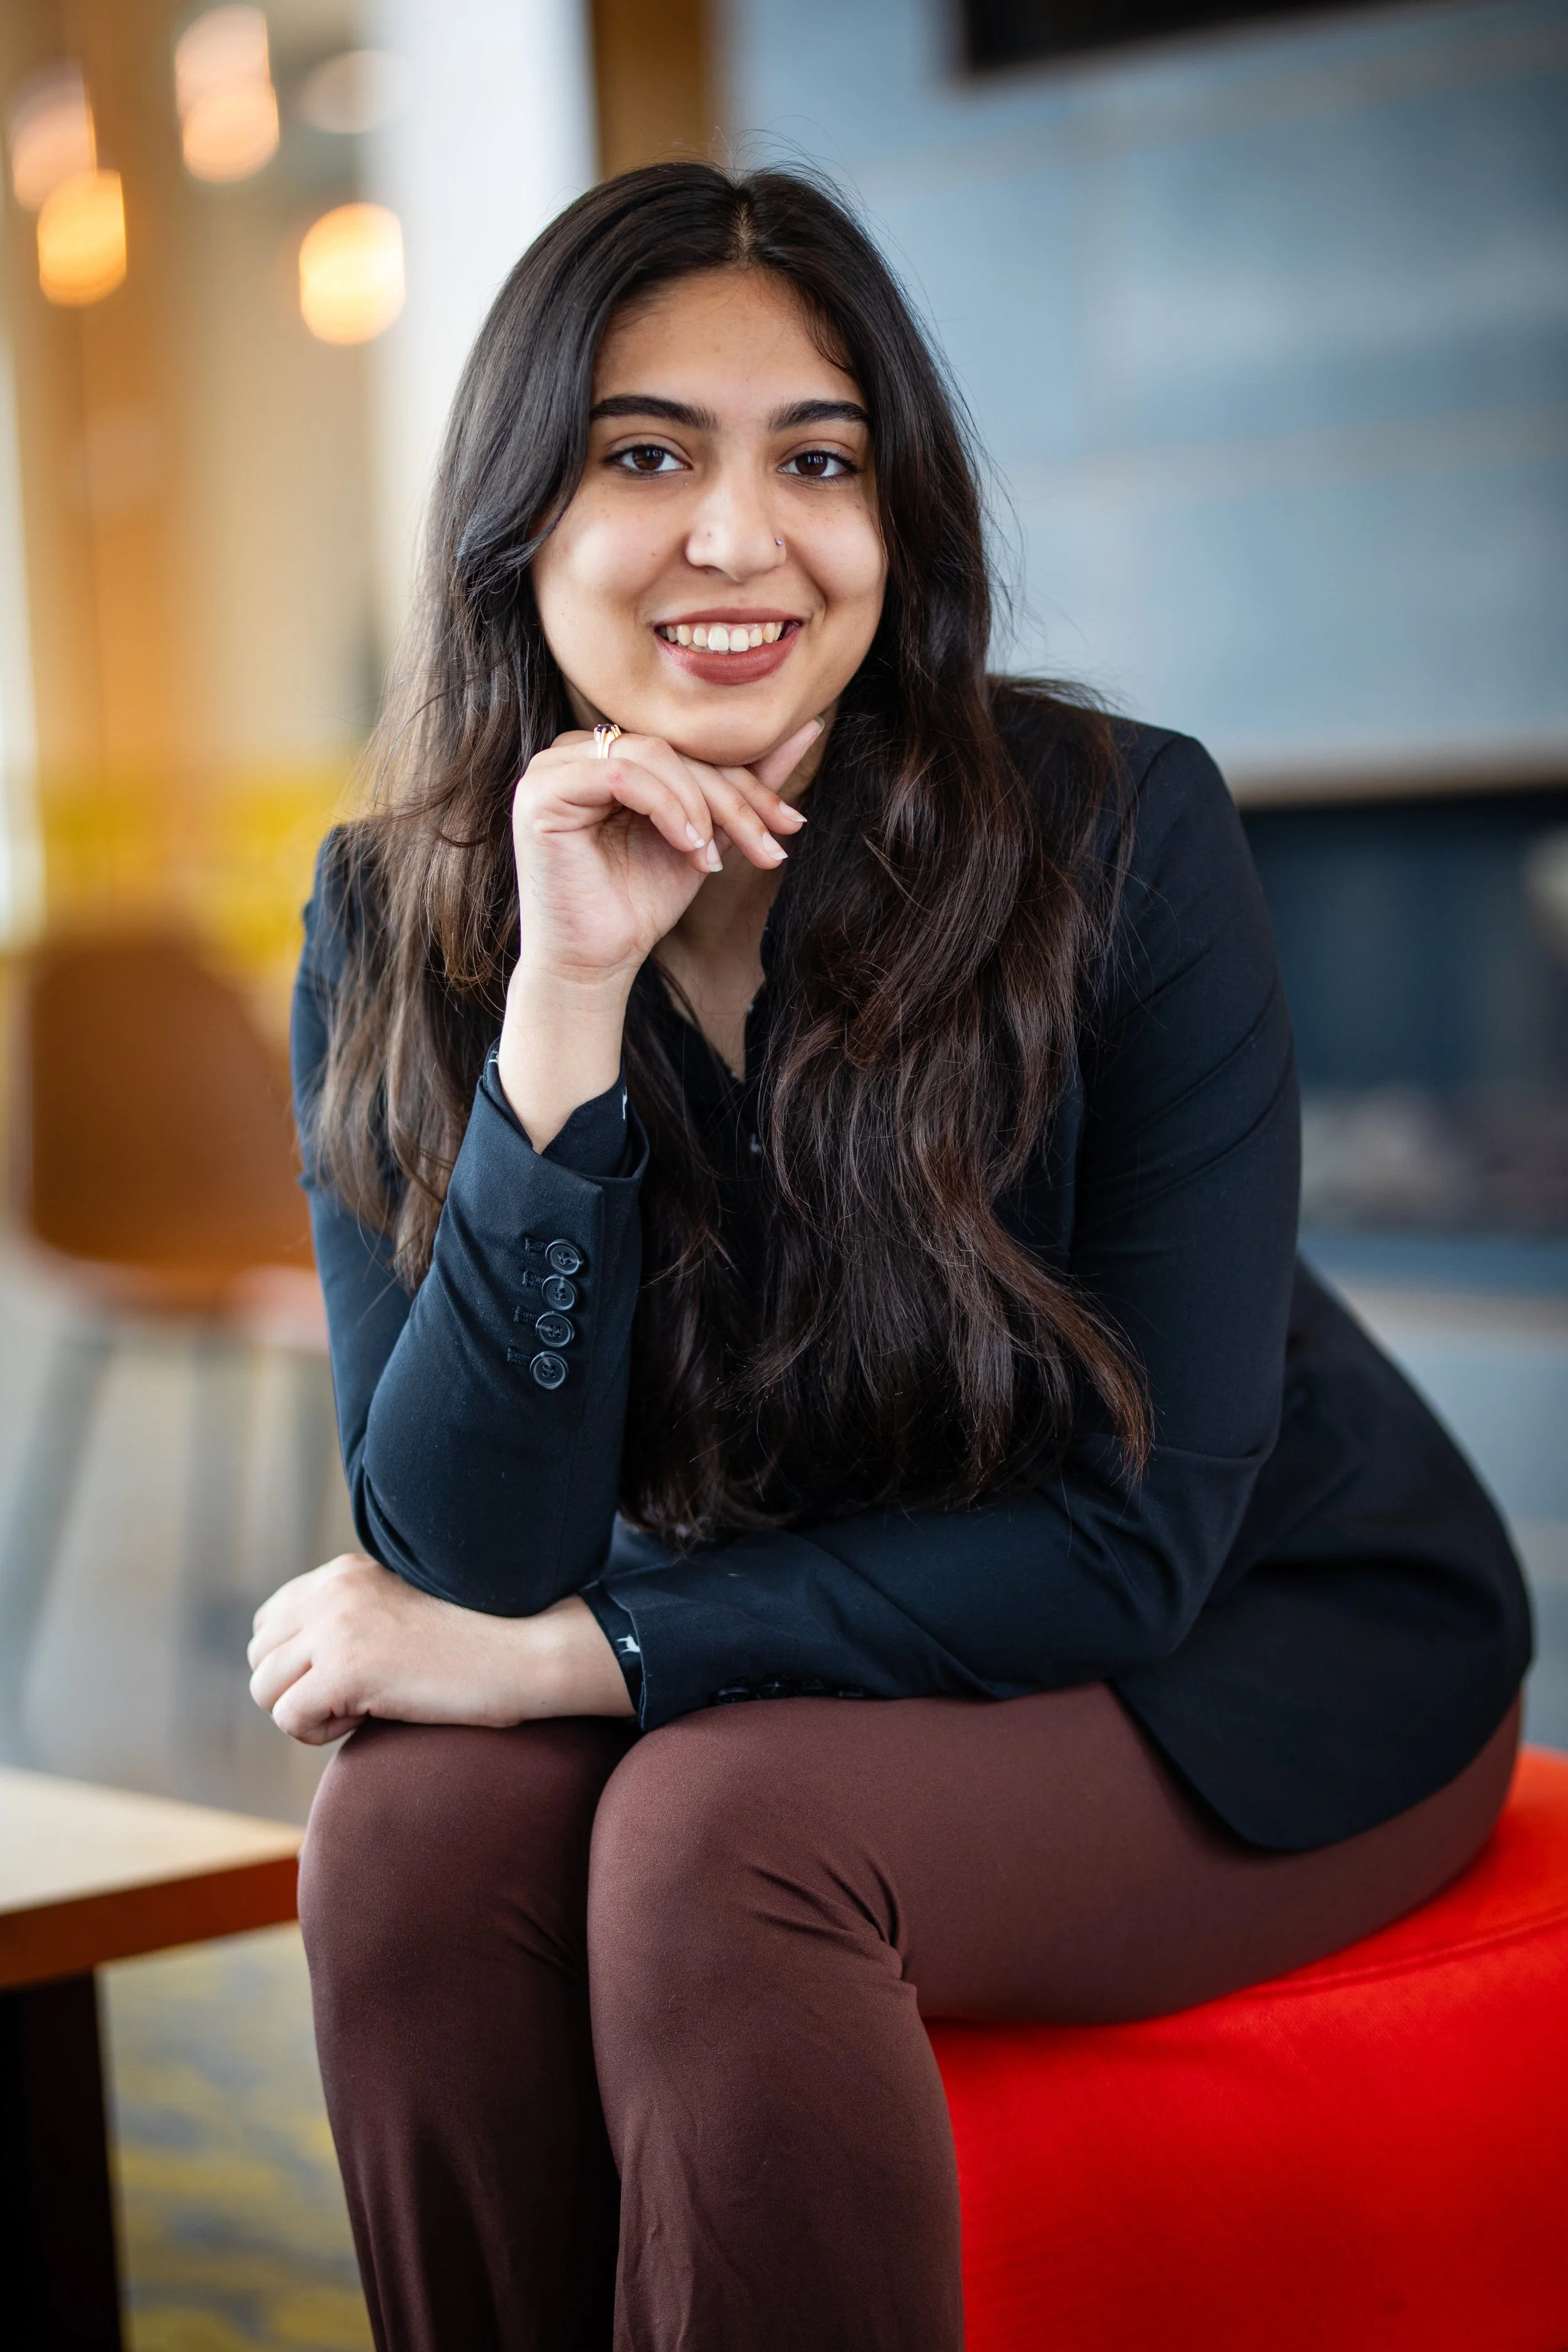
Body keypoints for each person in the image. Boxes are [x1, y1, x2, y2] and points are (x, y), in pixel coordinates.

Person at [250, 162, 1531, 2352]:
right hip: (832, 1620)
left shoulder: (1117, 836)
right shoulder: (405, 913)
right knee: (404, 1842)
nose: (737, 537)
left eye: (817, 460)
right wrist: (561, 1010)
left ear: (895, 527)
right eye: (644, 452)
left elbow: (1138, 1543)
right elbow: (461, 1547)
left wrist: (598, 1659)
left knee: (717, 1840)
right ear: (512, 527)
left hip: (1250, 1646)